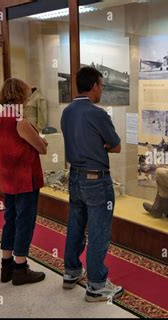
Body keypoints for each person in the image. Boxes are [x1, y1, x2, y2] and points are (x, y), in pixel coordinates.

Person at [61, 66, 123, 302]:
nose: (102, 90)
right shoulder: (97, 114)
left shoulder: (67, 112)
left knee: (75, 225)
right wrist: (101, 145)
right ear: (95, 86)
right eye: (102, 86)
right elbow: (115, 145)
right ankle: (96, 285)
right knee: (99, 230)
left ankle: (71, 272)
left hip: (74, 177)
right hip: (96, 181)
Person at [0, 78, 47, 286]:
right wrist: (41, 141)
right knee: (25, 221)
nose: (28, 99)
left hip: (9, 178)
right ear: (19, 95)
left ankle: (6, 266)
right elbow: (42, 148)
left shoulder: (0, 117)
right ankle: (20, 268)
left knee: (10, 220)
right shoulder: (20, 121)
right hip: (25, 179)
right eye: (26, 95)